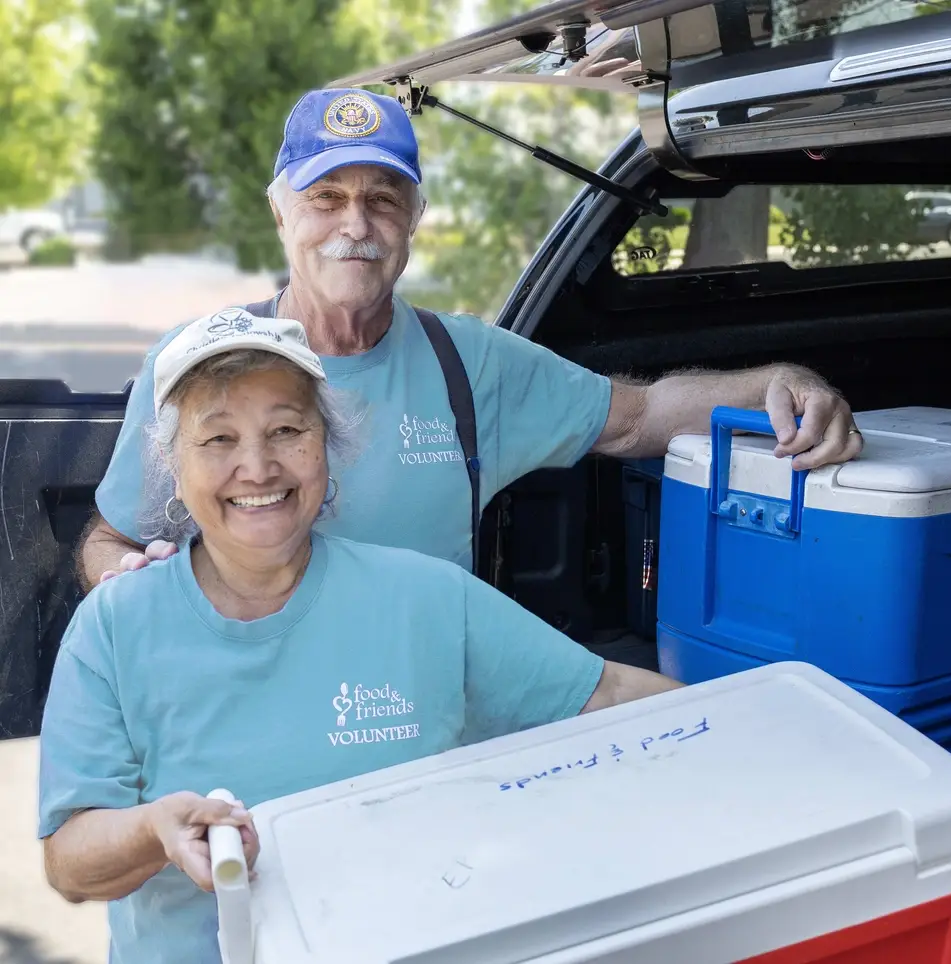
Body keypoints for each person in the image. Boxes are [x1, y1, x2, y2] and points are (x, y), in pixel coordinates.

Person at [40, 314, 681, 964]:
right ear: (172, 471)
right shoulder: (114, 626)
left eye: (286, 430)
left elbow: (611, 695)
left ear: (326, 446)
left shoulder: (424, 597)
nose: (257, 467)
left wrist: (768, 732)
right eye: (218, 438)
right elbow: (70, 861)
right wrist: (155, 829)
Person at [79, 86, 863, 588]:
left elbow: (639, 418)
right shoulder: (196, 364)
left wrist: (776, 383)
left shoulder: (468, 363)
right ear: (280, 214)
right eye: (326, 197)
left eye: (383, 200)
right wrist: (120, 575)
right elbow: (108, 538)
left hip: (426, 724)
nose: (356, 225)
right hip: (252, 717)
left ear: (413, 221)